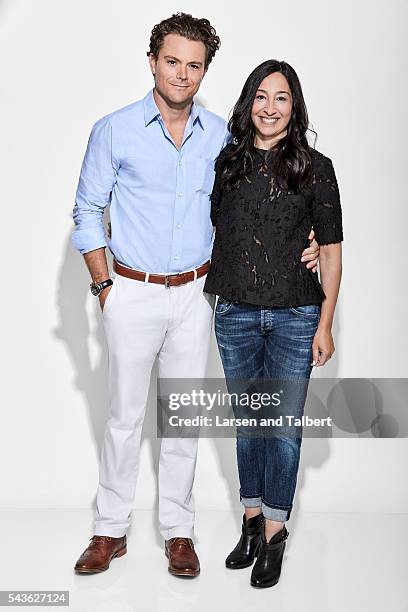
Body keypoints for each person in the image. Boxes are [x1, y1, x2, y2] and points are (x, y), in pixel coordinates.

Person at [71, 13, 320, 577]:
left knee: (180, 418)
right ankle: (110, 529)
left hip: (196, 295)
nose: (182, 74)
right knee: (123, 417)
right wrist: (104, 284)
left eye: (195, 64)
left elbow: (264, 195)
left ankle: (178, 532)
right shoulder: (114, 129)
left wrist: (310, 238)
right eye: (173, 61)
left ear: (205, 70)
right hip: (130, 290)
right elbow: (86, 211)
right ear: (153, 61)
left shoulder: (222, 137)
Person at [204, 59, 343, 588]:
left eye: (281, 98)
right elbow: (217, 228)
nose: (269, 107)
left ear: (294, 106)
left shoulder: (316, 166)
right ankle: (250, 520)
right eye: (261, 96)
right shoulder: (227, 163)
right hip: (235, 312)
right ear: (248, 103)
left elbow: (329, 250)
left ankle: (277, 531)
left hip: (295, 315)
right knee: (248, 427)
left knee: (282, 429)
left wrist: (325, 323)